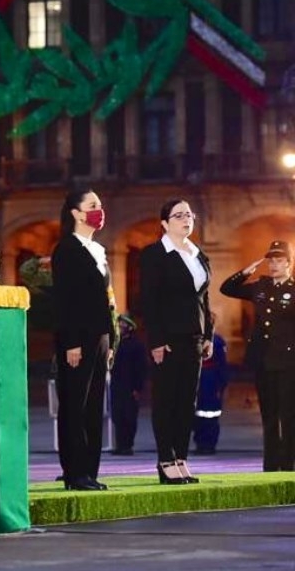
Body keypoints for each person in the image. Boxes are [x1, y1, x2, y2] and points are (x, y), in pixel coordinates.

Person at [138, 199, 213, 485]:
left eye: (189, 215)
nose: (186, 219)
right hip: (168, 340)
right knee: (166, 401)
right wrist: (155, 340)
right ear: (165, 223)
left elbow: (204, 298)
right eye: (178, 215)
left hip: (194, 338)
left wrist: (208, 335)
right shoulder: (155, 254)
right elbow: (149, 300)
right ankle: (166, 460)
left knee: (186, 402)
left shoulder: (197, 254)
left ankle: (181, 458)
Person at [50, 189, 115, 491]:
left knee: (93, 404)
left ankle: (90, 469)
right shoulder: (66, 249)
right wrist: (71, 341)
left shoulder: (97, 250)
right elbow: (65, 299)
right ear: (76, 213)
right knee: (74, 403)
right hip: (78, 338)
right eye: (92, 206)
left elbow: (107, 299)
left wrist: (111, 340)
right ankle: (74, 471)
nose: (98, 210)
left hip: (99, 336)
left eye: (99, 205)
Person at [220, 240, 295, 471]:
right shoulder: (260, 287)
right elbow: (227, 289)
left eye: (279, 260)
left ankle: (289, 463)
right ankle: (271, 465)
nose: (273, 265)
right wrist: (245, 272)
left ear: (289, 264)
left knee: (289, 415)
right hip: (264, 361)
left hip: (289, 362)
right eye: (271, 260)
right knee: (269, 416)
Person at [110, 315, 149, 455]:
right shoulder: (116, 344)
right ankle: (120, 445)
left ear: (129, 327)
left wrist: (138, 388)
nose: (119, 327)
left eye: (122, 325)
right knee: (117, 416)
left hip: (130, 387)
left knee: (129, 417)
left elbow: (141, 368)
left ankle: (128, 445)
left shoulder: (136, 345)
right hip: (117, 386)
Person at [193, 331, 229, 454]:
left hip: (210, 382)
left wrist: (221, 384)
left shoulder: (217, 341)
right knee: (197, 416)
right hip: (200, 379)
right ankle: (201, 443)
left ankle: (207, 443)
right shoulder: (194, 338)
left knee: (210, 416)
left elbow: (222, 364)